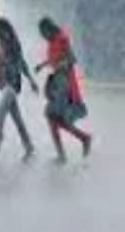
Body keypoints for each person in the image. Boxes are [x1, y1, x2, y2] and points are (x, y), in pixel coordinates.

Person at [36, 17, 91, 164]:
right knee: (52, 118)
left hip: (65, 84)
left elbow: (71, 59)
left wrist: (60, 66)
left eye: (43, 32)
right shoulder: (52, 41)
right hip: (57, 82)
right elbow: (55, 58)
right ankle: (80, 141)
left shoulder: (62, 39)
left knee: (53, 116)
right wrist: (42, 65)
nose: (43, 36)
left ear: (49, 29)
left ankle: (81, 141)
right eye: (41, 34)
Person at [0, 17, 39, 162]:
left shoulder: (14, 43)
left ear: (5, 28)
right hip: (5, 82)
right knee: (17, 119)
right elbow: (0, 62)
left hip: (13, 83)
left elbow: (21, 62)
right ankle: (29, 146)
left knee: (0, 115)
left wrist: (31, 80)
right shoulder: (1, 42)